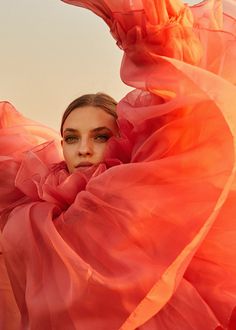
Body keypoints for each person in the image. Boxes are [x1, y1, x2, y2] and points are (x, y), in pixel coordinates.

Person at [1, 0, 236, 329]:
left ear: (121, 140)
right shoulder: (34, 207)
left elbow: (185, 103)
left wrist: (140, 24)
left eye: (99, 136)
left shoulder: (139, 198)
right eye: (71, 138)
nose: (83, 149)